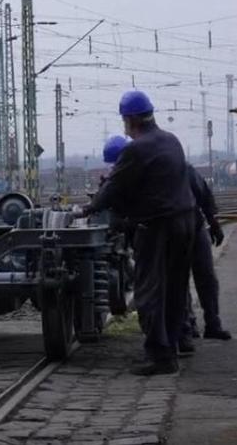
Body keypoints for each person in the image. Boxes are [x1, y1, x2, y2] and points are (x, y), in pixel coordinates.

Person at [84, 90, 196, 376]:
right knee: (175, 290)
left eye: (124, 119)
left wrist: (88, 209)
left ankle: (160, 356)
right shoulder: (172, 141)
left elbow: (114, 186)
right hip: (185, 223)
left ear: (131, 119)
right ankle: (172, 349)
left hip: (157, 226)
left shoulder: (136, 148)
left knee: (149, 292)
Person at [180, 164, 230, 350]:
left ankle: (212, 323)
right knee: (180, 281)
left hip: (193, 225)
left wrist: (213, 222)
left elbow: (203, 193)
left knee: (206, 276)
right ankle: (188, 325)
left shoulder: (184, 169)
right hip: (176, 229)